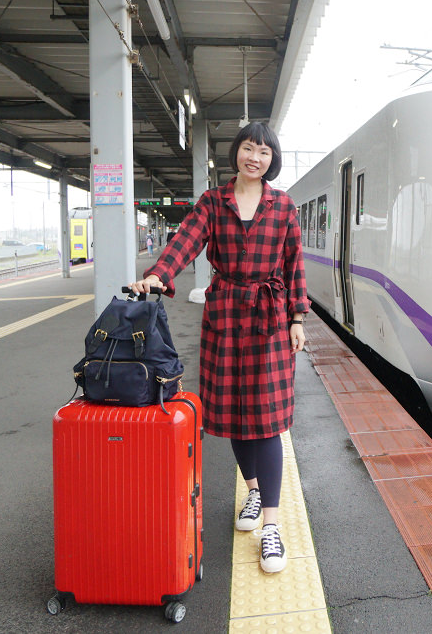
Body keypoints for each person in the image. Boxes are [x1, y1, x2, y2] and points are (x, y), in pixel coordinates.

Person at [129, 122, 308, 574]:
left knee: (265, 421)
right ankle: (252, 490)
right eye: (249, 148)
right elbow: (185, 242)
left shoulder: (284, 206)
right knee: (231, 416)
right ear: (237, 153)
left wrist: (297, 317)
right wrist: (158, 275)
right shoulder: (213, 201)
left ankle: (271, 524)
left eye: (264, 151)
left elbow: (293, 265)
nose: (256, 157)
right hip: (225, 314)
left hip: (268, 319)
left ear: (272, 159)